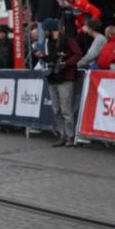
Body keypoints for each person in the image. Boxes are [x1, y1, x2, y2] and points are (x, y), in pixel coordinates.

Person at [42, 18, 83, 147]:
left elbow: (78, 54)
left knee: (66, 110)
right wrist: (43, 56)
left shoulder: (67, 39)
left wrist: (66, 63)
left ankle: (70, 137)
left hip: (65, 78)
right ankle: (62, 135)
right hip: (53, 77)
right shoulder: (48, 42)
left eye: (45, 30)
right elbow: (51, 58)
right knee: (56, 109)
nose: (44, 32)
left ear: (51, 29)